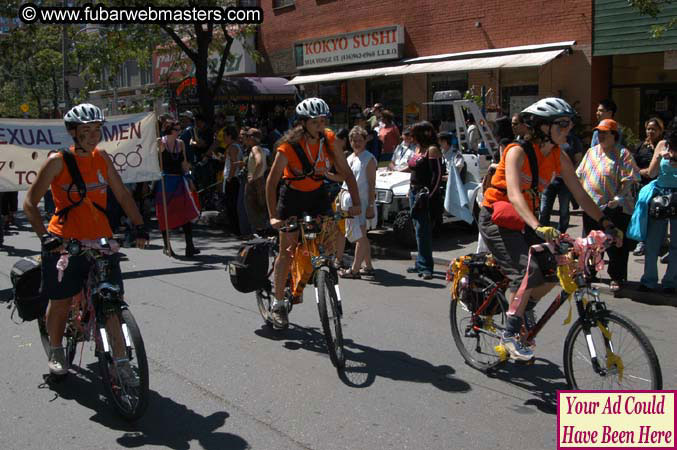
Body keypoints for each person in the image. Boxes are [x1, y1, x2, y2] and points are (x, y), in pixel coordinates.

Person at [479, 98, 622, 361]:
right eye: (563, 124)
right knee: (528, 270)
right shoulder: (516, 151)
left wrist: (605, 222)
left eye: (570, 124)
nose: (569, 129)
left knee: (559, 268)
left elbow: (580, 194)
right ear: (543, 127)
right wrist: (537, 225)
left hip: (526, 220)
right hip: (497, 219)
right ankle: (509, 334)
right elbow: (513, 193)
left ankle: (523, 308)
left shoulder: (558, 156)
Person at [22, 103, 149, 379]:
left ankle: (121, 363)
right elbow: (29, 203)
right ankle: (56, 350)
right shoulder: (58, 161)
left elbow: (124, 196)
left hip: (100, 239)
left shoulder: (101, 157)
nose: (93, 136)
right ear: (73, 133)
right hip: (65, 242)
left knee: (112, 298)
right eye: (86, 131)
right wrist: (45, 238)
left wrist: (140, 225)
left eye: (97, 130)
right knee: (61, 301)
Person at [266, 98, 361, 328]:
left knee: (326, 244)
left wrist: (358, 205)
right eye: (316, 121)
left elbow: (347, 174)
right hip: (292, 198)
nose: (321, 124)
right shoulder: (288, 147)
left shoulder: (328, 140)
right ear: (303, 123)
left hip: (317, 196)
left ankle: (318, 273)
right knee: (286, 251)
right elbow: (271, 183)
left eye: (323, 120)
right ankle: (278, 303)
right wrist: (273, 216)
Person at [577, 118, 640, 292]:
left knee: (615, 244)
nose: (600, 135)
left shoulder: (623, 153)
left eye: (605, 132)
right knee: (591, 243)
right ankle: (589, 273)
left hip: (614, 207)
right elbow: (580, 174)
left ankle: (617, 277)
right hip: (592, 206)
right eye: (599, 132)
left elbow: (630, 179)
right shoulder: (591, 152)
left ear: (614, 135)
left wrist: (619, 197)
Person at [632, 125, 677, 293]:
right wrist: (659, 157)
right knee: (652, 241)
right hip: (661, 196)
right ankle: (649, 280)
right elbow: (651, 173)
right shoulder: (662, 145)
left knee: (676, 245)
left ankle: (671, 282)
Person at [156, 120, 201, 257]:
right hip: (165, 182)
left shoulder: (180, 143)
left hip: (179, 181)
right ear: (169, 130)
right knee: (164, 214)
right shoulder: (161, 143)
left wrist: (189, 179)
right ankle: (167, 246)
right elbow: (153, 160)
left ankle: (190, 246)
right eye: (176, 129)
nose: (179, 131)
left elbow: (184, 163)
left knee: (185, 213)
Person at [406, 121, 444, 280]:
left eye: (413, 134)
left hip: (424, 194)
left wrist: (429, 196)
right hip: (414, 192)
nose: (410, 137)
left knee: (423, 231)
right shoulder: (417, 149)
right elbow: (413, 169)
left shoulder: (432, 150)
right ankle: (420, 263)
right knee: (417, 229)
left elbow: (437, 176)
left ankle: (427, 267)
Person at [338, 126, 377, 279]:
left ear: (365, 141)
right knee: (362, 235)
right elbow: (345, 181)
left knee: (359, 236)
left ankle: (354, 270)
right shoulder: (350, 158)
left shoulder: (369, 159)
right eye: (354, 141)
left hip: (361, 203)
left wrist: (371, 206)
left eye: (360, 140)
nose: (357, 143)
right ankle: (368, 266)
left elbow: (372, 184)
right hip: (349, 202)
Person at [539, 130, 584, 233]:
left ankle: (561, 234)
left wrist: (570, 174)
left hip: (565, 181)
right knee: (544, 208)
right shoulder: (551, 140)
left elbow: (578, 161)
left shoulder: (573, 140)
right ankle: (542, 232)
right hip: (550, 180)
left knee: (564, 209)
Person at [243, 128, 269, 232]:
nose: (246, 139)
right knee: (259, 209)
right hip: (259, 181)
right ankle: (259, 232)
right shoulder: (259, 148)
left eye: (248, 137)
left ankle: (258, 234)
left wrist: (253, 177)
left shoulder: (255, 149)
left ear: (252, 138)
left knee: (253, 210)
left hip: (255, 183)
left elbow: (260, 163)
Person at [220, 126, 244, 235]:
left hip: (232, 179)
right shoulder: (235, 146)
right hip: (232, 178)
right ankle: (235, 228)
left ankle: (235, 229)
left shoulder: (233, 147)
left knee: (231, 205)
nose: (224, 139)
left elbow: (234, 164)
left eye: (225, 136)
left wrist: (229, 177)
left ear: (230, 136)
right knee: (231, 204)